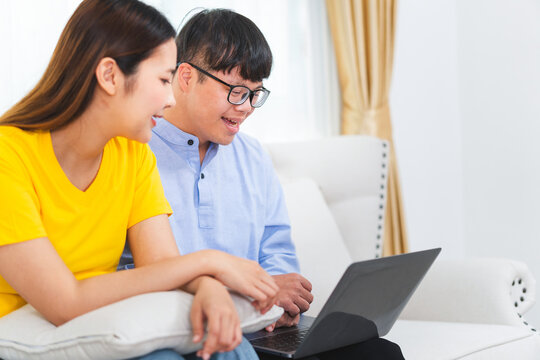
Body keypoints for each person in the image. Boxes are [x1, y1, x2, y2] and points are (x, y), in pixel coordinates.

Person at [0, 1, 279, 360]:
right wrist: (211, 262)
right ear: (110, 76)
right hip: (27, 334)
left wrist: (207, 288)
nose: (168, 100)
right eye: (164, 80)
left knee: (229, 344)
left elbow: (160, 262)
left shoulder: (132, 154)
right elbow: (64, 302)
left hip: (101, 320)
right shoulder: (9, 156)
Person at [121, 8, 404, 360]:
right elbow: (132, 271)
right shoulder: (135, 150)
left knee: (378, 352)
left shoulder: (253, 157)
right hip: (186, 326)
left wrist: (284, 298)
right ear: (187, 77)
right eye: (237, 91)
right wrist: (251, 292)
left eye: (256, 94)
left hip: (260, 326)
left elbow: (276, 252)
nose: (246, 108)